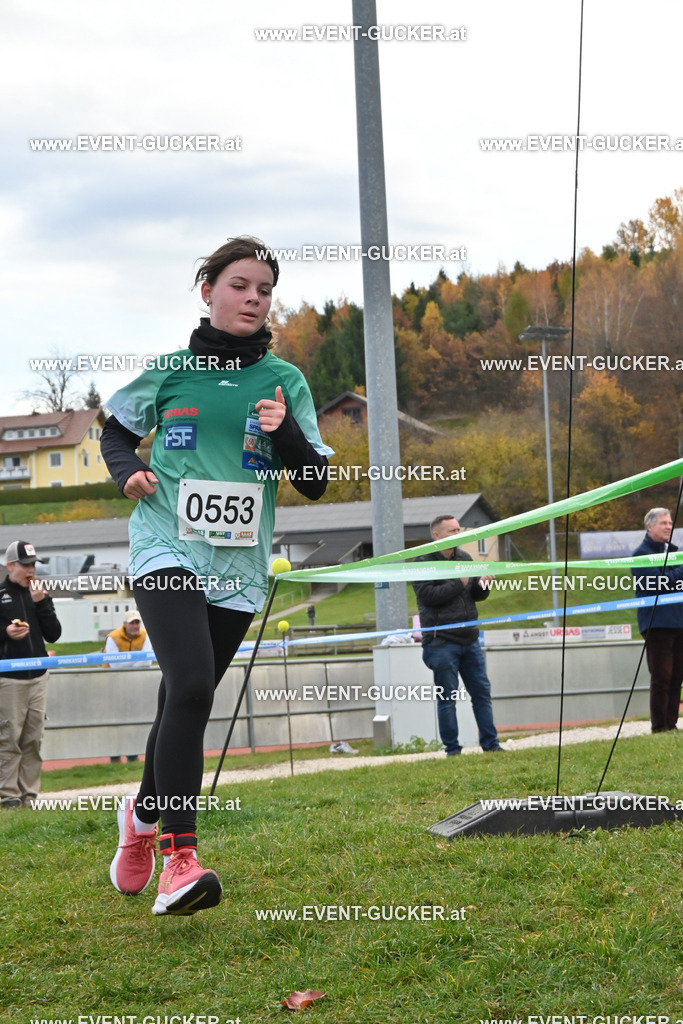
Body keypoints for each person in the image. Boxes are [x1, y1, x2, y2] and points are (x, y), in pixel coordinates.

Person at [100, 235, 333, 916]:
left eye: (264, 290)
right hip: (166, 544)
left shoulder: (285, 381)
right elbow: (113, 432)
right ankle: (180, 859)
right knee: (194, 686)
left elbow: (314, 480)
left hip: (240, 562)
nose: (253, 299)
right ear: (208, 292)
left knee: (182, 696)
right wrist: (128, 470)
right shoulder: (170, 371)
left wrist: (285, 432)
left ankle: (141, 817)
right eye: (239, 285)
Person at [412, 515, 504, 755]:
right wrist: (459, 583)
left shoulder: (464, 558)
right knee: (447, 699)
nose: (458, 534)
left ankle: (491, 745)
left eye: (458, 530)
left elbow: (473, 594)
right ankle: (452, 750)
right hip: (441, 641)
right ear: (437, 535)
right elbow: (427, 596)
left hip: (469, 639)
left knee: (482, 694)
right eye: (452, 531)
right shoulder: (422, 561)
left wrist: (483, 585)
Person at [0, 540, 62, 808]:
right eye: (25, 565)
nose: (31, 570)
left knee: (33, 739)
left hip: (38, 676)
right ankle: (8, 796)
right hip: (8, 678)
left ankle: (29, 797)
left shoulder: (39, 593)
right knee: (9, 737)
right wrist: (5, 632)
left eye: (33, 564)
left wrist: (42, 603)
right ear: (10, 565)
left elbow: (54, 634)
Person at [631, 507, 683, 733]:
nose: (668, 527)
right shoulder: (640, 555)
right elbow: (659, 584)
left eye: (670, 523)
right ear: (649, 526)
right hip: (657, 623)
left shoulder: (674, 553)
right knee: (662, 676)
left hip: (679, 621)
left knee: (677, 676)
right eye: (663, 523)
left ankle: (671, 724)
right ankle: (659, 726)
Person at [105, 609, 154, 762]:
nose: (135, 626)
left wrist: (126, 661)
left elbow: (147, 661)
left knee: (135, 715)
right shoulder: (112, 637)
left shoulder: (146, 635)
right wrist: (136, 660)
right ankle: (115, 755)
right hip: (113, 683)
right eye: (132, 623)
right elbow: (114, 665)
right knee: (115, 718)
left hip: (134, 683)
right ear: (125, 624)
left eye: (137, 622)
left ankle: (133, 754)